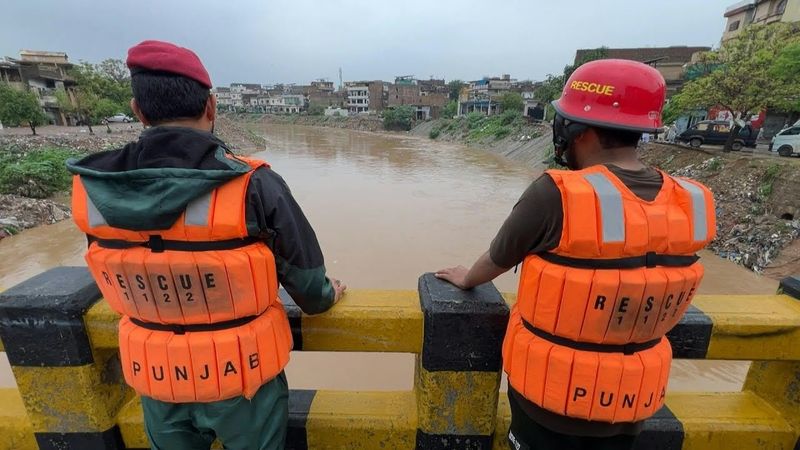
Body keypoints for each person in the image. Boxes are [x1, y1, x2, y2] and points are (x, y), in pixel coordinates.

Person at [67, 40, 346, 450]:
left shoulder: (91, 190)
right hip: (243, 381)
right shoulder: (254, 184)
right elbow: (309, 286)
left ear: (138, 111)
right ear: (211, 107)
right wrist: (327, 295)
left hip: (157, 378)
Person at [436, 59, 715, 450]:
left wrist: (467, 278)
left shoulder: (556, 193)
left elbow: (498, 258)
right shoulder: (694, 201)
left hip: (552, 400)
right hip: (631, 400)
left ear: (577, 130)